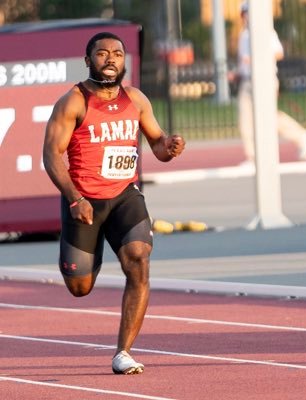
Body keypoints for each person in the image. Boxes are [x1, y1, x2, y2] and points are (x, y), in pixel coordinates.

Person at [43, 32, 185, 375]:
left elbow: (158, 147)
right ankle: (85, 249)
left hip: (124, 196)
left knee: (139, 258)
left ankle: (123, 352)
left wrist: (171, 145)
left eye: (118, 54)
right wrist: (74, 197)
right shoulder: (73, 102)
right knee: (80, 287)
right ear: (88, 59)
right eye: (103, 53)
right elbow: (50, 155)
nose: (111, 59)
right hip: (84, 201)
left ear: (124, 61)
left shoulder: (135, 100)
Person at [236, 2, 306, 164]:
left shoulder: (266, 32)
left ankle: (300, 135)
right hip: (247, 81)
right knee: (245, 120)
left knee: (268, 117)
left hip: (264, 79)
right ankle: (252, 157)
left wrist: (258, 58)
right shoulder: (243, 35)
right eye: (244, 14)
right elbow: (244, 62)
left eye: (248, 13)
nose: (246, 17)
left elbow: (278, 53)